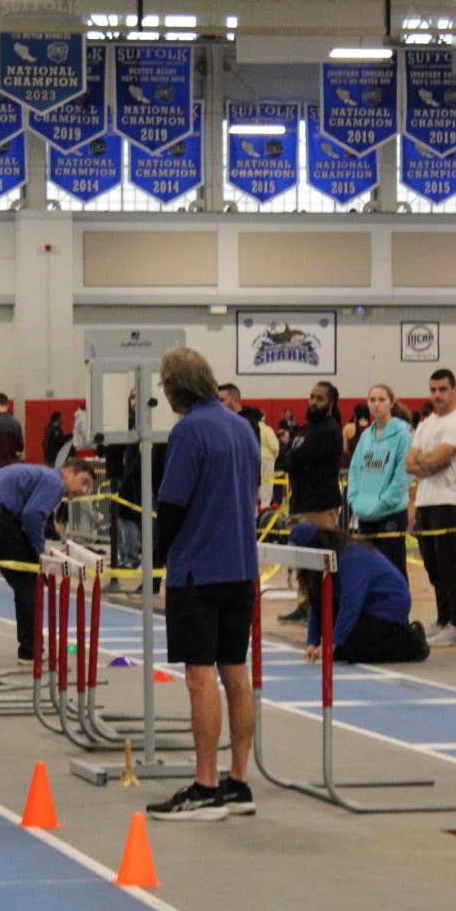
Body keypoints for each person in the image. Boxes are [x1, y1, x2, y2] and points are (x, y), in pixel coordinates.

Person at [145, 345, 261, 822]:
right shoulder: (242, 427)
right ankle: (239, 783)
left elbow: (172, 504)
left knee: (200, 675)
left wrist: (159, 563)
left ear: (175, 389)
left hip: (198, 569)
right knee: (235, 671)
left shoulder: (189, 431)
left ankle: (205, 787)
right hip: (242, 567)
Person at [0, 458, 95, 663]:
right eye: (84, 482)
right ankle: (30, 651)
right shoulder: (56, 482)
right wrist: (39, 551)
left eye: (89, 487)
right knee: (29, 581)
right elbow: (32, 516)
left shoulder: (40, 474)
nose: (84, 491)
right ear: (68, 472)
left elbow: (29, 514)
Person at [288, 523, 429, 665]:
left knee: (352, 650)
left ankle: (411, 641)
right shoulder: (323, 560)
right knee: (339, 650)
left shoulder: (350, 555)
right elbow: (318, 603)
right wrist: (312, 642)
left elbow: (351, 602)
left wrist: (333, 641)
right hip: (366, 605)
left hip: (387, 605)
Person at [406, 368, 456, 647]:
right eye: (433, 390)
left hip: (447, 502)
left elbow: (433, 460)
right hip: (424, 502)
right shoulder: (426, 424)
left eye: (443, 389)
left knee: (449, 566)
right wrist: (428, 462)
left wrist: (426, 461)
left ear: (455, 390)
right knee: (433, 567)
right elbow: (410, 464)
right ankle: (443, 620)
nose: (437, 395)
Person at [278, 381, 343, 623]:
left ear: (331, 403)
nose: (313, 402)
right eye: (312, 397)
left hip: (320, 505)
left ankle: (320, 609)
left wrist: (293, 459)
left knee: (317, 560)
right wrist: (292, 459)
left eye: (320, 398)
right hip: (300, 503)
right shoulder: (306, 430)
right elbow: (285, 459)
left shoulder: (329, 430)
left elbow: (296, 459)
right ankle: (304, 605)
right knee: (301, 560)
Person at [347, 383, 412, 577]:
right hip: (365, 514)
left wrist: (384, 502)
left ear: (391, 403)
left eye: (382, 400)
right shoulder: (365, 436)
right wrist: (354, 499)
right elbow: (354, 470)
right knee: (368, 570)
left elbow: (403, 475)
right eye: (372, 400)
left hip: (391, 513)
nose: (376, 404)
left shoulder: (402, 435)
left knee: (393, 569)